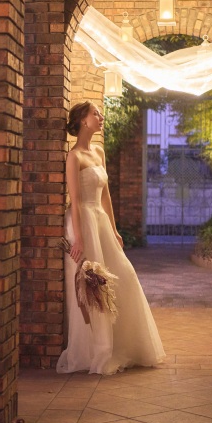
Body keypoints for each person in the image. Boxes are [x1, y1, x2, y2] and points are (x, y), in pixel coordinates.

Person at [57, 101, 165, 375]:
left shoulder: (99, 151)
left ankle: (124, 344)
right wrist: (79, 240)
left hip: (101, 222)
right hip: (82, 224)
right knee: (93, 287)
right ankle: (96, 349)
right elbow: (76, 202)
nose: (101, 117)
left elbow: (105, 195)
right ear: (83, 120)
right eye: (95, 113)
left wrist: (114, 229)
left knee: (124, 276)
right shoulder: (74, 157)